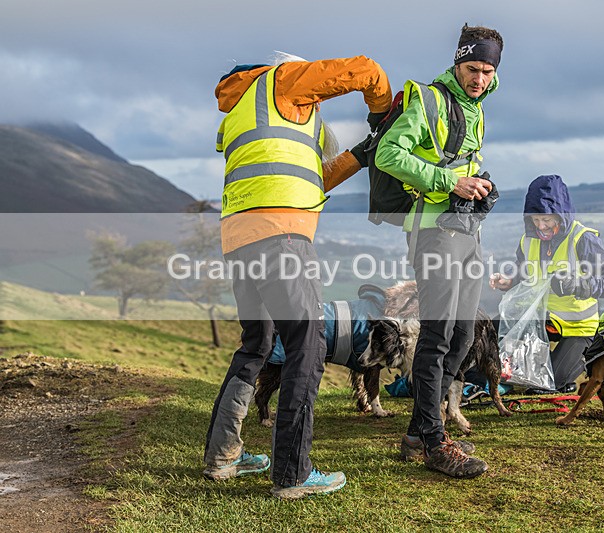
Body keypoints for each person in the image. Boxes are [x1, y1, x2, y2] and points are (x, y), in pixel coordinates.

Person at [203, 53, 391, 500]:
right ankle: (293, 473)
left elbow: (307, 181)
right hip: (282, 238)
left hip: (241, 238)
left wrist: (359, 156)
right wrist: (384, 112)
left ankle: (223, 456)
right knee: (308, 346)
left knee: (258, 345)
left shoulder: (241, 113)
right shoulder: (282, 81)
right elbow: (366, 69)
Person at [374, 23, 503, 479]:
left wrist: (479, 184)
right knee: (437, 336)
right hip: (434, 232)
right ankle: (433, 441)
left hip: (466, 230)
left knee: (464, 336)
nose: (479, 79)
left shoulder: (476, 106)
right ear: (457, 62)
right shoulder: (430, 101)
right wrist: (451, 182)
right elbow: (388, 154)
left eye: (488, 71)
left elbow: (456, 161)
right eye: (473, 68)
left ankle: (418, 433)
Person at [490, 174, 604, 392]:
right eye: (535, 220)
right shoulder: (527, 239)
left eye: (547, 220)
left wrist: (578, 285)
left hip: (577, 325)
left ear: (561, 216)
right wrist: (510, 280)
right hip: (540, 317)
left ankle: (586, 358)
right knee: (489, 331)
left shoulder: (583, 239)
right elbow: (524, 270)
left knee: (548, 383)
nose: (541, 226)